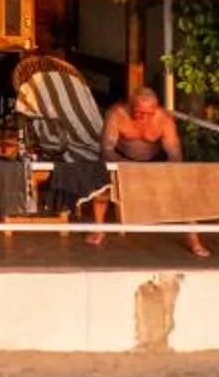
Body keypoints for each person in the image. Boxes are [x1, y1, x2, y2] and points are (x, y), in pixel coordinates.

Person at [90, 86, 210, 258]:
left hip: (155, 162)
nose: (144, 117)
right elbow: (107, 149)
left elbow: (174, 152)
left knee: (185, 192)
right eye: (139, 112)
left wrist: (166, 170)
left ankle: (194, 241)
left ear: (155, 108)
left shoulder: (164, 119)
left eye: (149, 113)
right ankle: (99, 230)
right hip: (122, 160)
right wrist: (126, 166)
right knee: (100, 185)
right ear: (131, 104)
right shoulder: (116, 114)